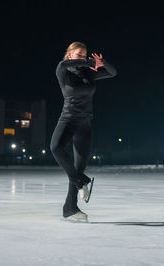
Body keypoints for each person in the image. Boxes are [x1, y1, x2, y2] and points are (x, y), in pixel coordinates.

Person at [50, 41, 117, 222]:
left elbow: (112, 72)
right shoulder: (63, 70)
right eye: (79, 55)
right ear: (70, 54)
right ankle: (81, 181)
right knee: (55, 147)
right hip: (68, 119)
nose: (82, 58)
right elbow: (64, 64)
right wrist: (87, 62)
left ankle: (70, 208)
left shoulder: (89, 73)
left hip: (85, 123)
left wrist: (101, 63)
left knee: (79, 166)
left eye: (84, 55)